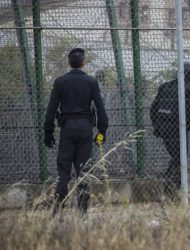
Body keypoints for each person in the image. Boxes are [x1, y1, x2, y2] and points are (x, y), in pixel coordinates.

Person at [44, 48, 108, 215]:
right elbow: (100, 108)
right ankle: (83, 213)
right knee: (84, 170)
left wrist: (48, 131)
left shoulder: (60, 82)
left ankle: (58, 210)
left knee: (63, 170)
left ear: (69, 63)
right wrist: (102, 131)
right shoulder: (91, 82)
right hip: (85, 128)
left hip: (67, 128)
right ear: (83, 63)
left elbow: (51, 109)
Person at [150, 61, 190, 199]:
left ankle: (170, 185)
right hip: (177, 127)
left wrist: (157, 126)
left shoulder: (165, 86)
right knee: (181, 158)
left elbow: (153, 109)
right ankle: (171, 189)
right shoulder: (189, 88)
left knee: (178, 157)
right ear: (188, 74)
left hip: (164, 127)